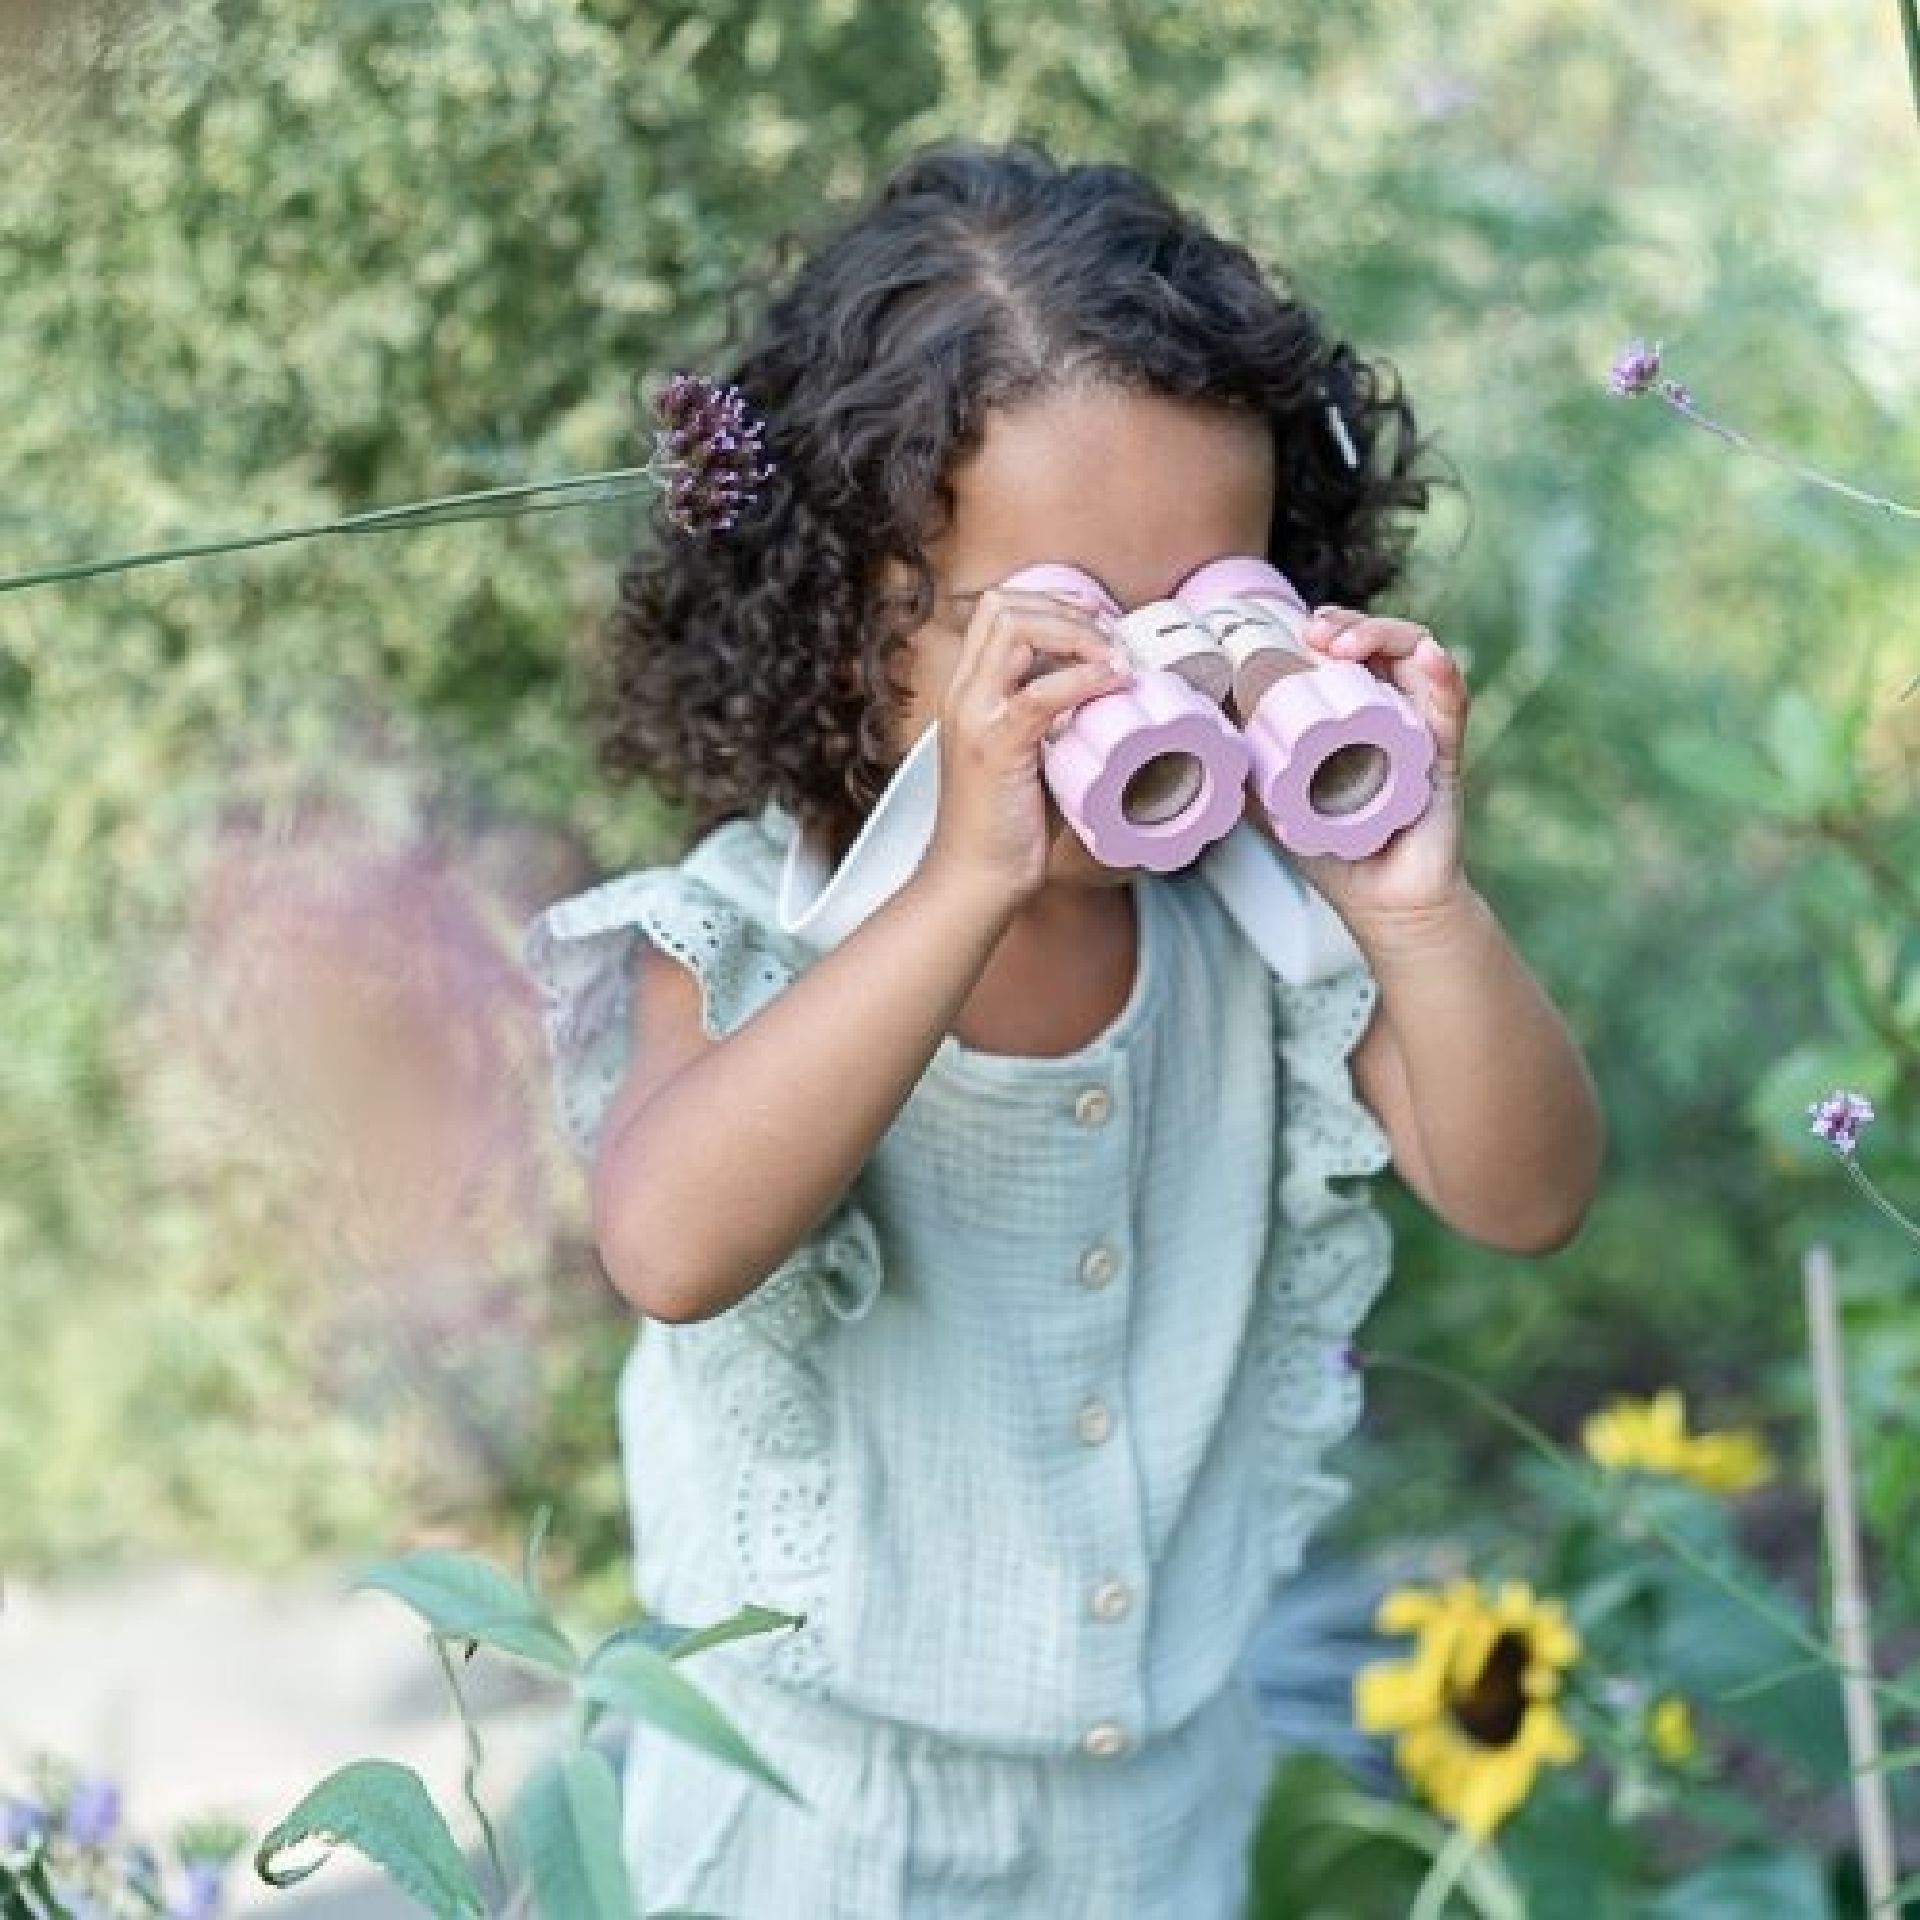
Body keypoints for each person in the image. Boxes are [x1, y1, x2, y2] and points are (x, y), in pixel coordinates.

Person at [521, 136, 1605, 1919]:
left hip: (1156, 1823)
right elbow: (670, 1242)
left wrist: (1414, 905)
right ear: (881, 636)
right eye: (1075, 633)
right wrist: (959, 879)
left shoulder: (1264, 926)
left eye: (1217, 616)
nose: (1159, 690)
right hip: (813, 1824)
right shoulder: (740, 937)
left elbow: (1528, 1193)